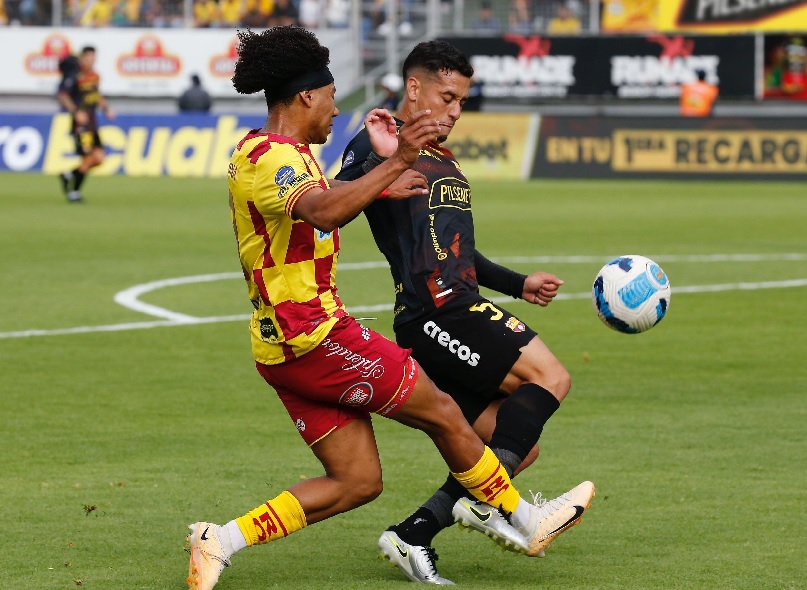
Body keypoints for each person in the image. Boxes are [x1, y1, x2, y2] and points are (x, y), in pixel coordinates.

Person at [185, 26, 593, 590]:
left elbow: (327, 203)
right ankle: (523, 518)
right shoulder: (270, 156)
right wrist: (398, 158)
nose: (335, 108)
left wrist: (383, 180)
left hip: (285, 348)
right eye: (331, 96)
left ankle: (219, 540)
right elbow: (322, 210)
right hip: (320, 336)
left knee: (357, 481)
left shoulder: (286, 156)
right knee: (446, 415)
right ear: (306, 96)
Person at [336, 40, 594, 584]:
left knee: (515, 447)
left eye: (461, 102)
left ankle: (413, 533)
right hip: (436, 312)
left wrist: (518, 283)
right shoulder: (378, 142)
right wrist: (384, 167)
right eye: (447, 97)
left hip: (458, 306)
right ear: (414, 88)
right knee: (551, 376)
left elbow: (460, 252)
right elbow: (335, 197)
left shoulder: (443, 159)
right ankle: (482, 507)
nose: (455, 111)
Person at [57, 46, 115, 204]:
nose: (92, 61)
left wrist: (106, 109)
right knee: (91, 156)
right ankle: (74, 192)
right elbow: (63, 96)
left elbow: (97, 95)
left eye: (94, 58)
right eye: (88, 58)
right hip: (80, 125)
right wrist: (76, 112)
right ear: (81, 58)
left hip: (93, 123)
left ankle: (69, 174)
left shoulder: (95, 76)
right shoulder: (74, 76)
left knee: (99, 158)